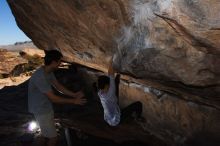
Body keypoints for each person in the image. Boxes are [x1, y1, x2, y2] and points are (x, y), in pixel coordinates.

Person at [28, 49, 87, 146]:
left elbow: (58, 86)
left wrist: (74, 94)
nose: (61, 63)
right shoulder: (40, 76)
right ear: (54, 62)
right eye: (59, 61)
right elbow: (53, 98)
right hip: (41, 110)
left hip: (43, 107)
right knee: (53, 138)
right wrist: (74, 101)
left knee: (43, 134)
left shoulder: (48, 71)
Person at [97, 57, 143, 126]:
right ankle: (138, 117)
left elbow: (110, 75)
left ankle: (117, 78)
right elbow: (111, 73)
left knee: (115, 87)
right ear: (106, 85)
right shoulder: (110, 92)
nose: (110, 85)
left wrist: (111, 62)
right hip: (116, 120)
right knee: (138, 104)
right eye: (109, 84)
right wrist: (113, 59)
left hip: (108, 117)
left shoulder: (100, 93)